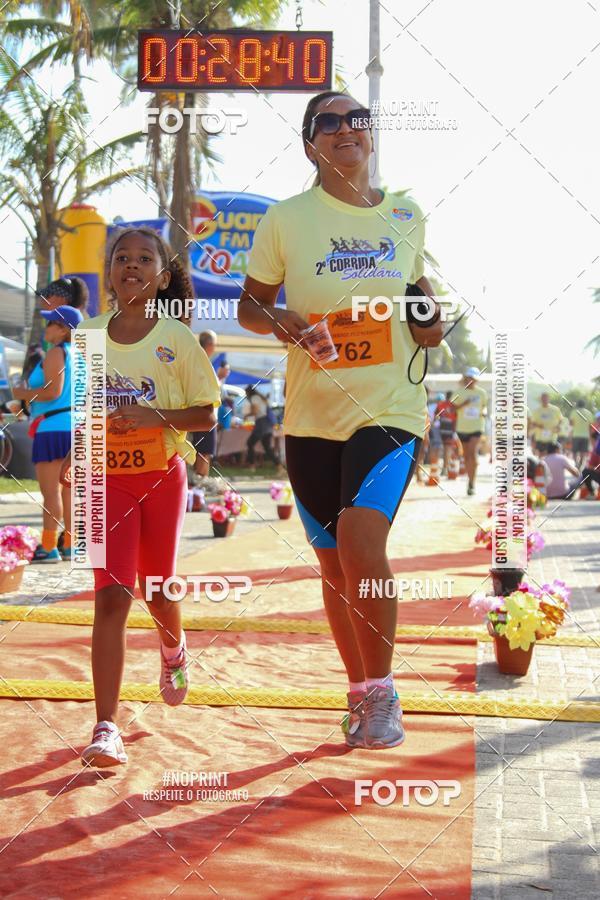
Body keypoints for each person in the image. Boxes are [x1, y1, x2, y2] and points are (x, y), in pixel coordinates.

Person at [238, 90, 443, 750]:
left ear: (372, 138)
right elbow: (250, 306)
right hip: (310, 416)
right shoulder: (286, 220)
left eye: (358, 119)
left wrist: (431, 321)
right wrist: (283, 321)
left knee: (360, 539)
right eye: (328, 122)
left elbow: (421, 301)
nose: (345, 129)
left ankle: (383, 695)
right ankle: (358, 694)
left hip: (390, 407)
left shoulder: (408, 215)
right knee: (332, 565)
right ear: (311, 145)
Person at [60, 226, 220, 767]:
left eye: (144, 258)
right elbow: (84, 410)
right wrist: (75, 456)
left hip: (160, 477)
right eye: (121, 257)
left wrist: (156, 416)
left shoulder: (178, 339)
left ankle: (172, 648)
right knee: (110, 596)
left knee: (156, 588)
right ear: (108, 271)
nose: (131, 265)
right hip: (104, 481)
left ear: (163, 275)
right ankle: (106, 726)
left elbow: (207, 413)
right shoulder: (89, 336)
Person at [13, 305, 82, 562]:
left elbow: (53, 392)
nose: (46, 328)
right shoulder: (79, 354)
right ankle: (70, 545)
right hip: (75, 427)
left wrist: (22, 394)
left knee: (51, 491)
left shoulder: (56, 353)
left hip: (54, 428)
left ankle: (49, 546)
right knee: (68, 491)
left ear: (63, 329)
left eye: (51, 323)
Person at [190, 330, 230, 483]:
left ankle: (200, 483)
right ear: (210, 344)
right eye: (214, 343)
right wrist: (219, 378)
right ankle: (200, 483)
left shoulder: (200, 359)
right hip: (204, 412)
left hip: (204, 412)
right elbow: (207, 388)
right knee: (204, 451)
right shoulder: (202, 361)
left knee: (205, 451)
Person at [453, 367, 487, 496]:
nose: (470, 380)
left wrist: (484, 413)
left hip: (477, 426)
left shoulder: (482, 393)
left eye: (473, 379)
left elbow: (484, 407)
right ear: (465, 378)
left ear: (476, 380)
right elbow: (453, 408)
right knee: (466, 456)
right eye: (468, 378)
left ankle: (472, 482)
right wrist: (464, 404)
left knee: (472, 453)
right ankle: (469, 480)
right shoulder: (458, 392)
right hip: (462, 428)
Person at [244, 386, 281, 470]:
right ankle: (279, 466)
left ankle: (252, 465)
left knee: (250, 443)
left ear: (248, 392)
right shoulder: (260, 397)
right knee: (267, 447)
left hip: (261, 423)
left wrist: (247, 415)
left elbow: (255, 411)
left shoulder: (254, 398)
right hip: (267, 423)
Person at [435, 390, 457, 475]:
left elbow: (436, 415)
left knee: (444, 448)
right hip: (450, 428)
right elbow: (456, 418)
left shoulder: (440, 405)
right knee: (448, 449)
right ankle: (445, 467)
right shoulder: (454, 406)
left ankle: (445, 467)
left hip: (442, 428)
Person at [570, 399, 594, 468]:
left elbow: (571, 423)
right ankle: (580, 464)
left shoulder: (574, 412)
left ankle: (576, 463)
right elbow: (591, 426)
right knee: (583, 451)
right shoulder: (589, 413)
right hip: (585, 436)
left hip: (576, 435)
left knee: (574, 451)